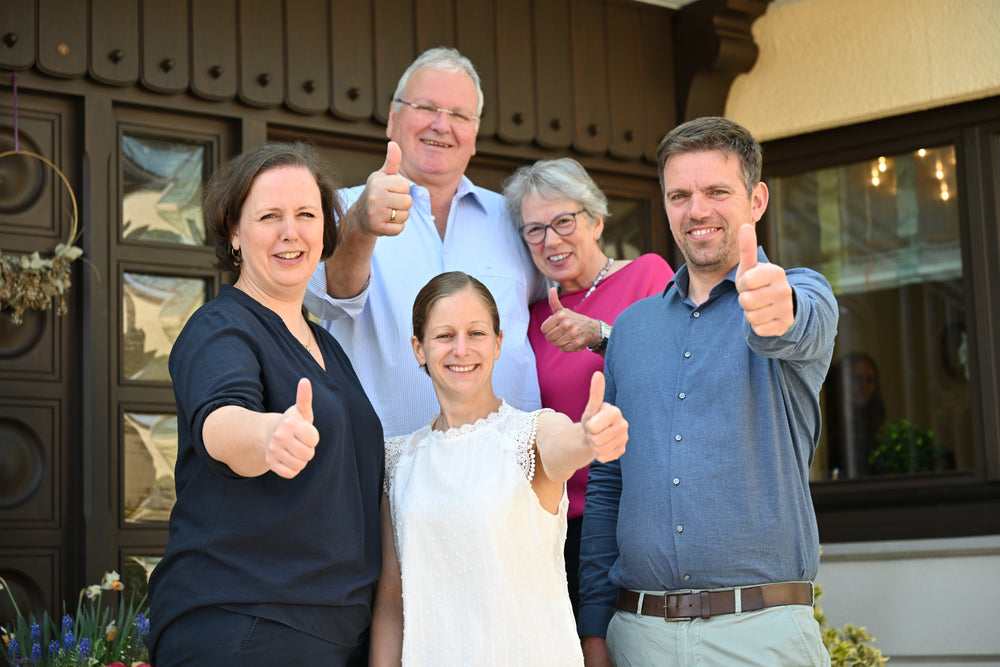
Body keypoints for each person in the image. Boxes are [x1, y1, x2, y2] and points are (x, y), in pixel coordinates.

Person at [578, 117, 838, 666]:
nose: (696, 210)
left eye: (717, 191)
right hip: (637, 636)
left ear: (757, 200)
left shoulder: (798, 292)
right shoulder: (631, 329)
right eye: (680, 195)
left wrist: (780, 307)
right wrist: (594, 627)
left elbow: (802, 320)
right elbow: (606, 485)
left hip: (760, 637)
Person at [147, 143, 384, 666]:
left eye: (305, 214)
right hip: (245, 625)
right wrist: (266, 437)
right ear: (234, 232)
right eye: (268, 216)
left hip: (332, 631)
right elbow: (221, 420)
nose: (289, 231)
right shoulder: (220, 328)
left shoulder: (327, 347)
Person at [370, 271, 629, 666]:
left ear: (497, 344)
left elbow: (564, 446)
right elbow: (392, 600)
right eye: (444, 335)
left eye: (476, 333)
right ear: (418, 348)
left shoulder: (533, 431)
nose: (461, 349)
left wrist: (587, 440)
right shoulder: (398, 460)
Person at [303, 46, 542, 438]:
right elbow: (327, 297)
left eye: (459, 115)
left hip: (508, 473)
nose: (441, 125)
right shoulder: (342, 208)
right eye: (426, 108)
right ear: (393, 118)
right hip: (384, 477)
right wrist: (362, 226)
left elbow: (569, 294)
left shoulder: (517, 219)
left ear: (475, 134)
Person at [501, 157, 673, 615]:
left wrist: (602, 335)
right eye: (534, 229)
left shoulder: (647, 275)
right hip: (554, 526)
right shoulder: (533, 315)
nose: (550, 240)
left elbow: (675, 371)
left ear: (596, 221)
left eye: (563, 221)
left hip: (632, 517)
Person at [826, 351, 885, 478]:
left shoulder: (876, 427)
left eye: (869, 380)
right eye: (856, 378)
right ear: (839, 382)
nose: (863, 385)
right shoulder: (826, 426)